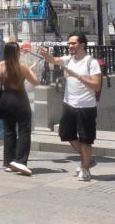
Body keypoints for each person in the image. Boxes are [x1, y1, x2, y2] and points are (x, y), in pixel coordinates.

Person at [40, 33, 102, 182]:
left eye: (73, 43)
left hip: (86, 107)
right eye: (69, 43)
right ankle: (88, 160)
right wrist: (46, 55)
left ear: (82, 45)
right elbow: (54, 60)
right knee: (66, 134)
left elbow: (96, 85)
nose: (70, 46)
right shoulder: (68, 59)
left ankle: (85, 168)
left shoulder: (91, 62)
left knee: (86, 140)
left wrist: (77, 76)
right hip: (69, 105)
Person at [0, 41, 39, 176]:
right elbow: (35, 81)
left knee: (9, 131)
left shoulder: (0, 66)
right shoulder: (22, 67)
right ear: (17, 53)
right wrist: (31, 70)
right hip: (20, 99)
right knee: (24, 130)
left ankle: (8, 162)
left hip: (5, 99)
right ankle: (21, 161)